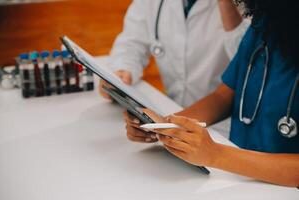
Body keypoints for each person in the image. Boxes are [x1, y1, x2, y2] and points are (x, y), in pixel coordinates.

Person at [124, 0, 299, 187]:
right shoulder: (265, 24)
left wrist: (216, 154)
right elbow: (223, 96)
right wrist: (163, 125)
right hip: (239, 180)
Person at [99, 0, 249, 109]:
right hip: (173, 112)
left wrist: (227, 4)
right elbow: (131, 43)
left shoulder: (249, 5)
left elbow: (250, 65)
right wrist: (122, 72)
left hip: (226, 126)